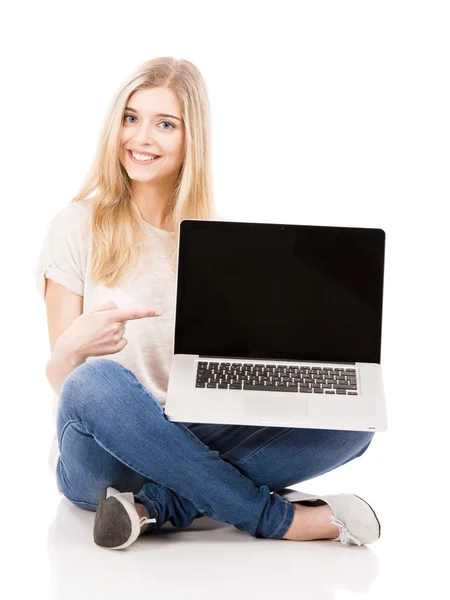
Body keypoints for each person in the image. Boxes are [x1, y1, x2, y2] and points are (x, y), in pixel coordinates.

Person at [35, 56, 380, 551]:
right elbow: (63, 384)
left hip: (190, 437)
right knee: (95, 379)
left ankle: (153, 508)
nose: (141, 138)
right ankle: (278, 519)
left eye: (165, 124)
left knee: (352, 421)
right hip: (101, 458)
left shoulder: (218, 246)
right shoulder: (75, 226)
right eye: (131, 118)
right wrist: (75, 348)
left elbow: (221, 378)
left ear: (190, 139)